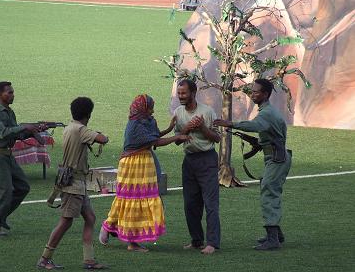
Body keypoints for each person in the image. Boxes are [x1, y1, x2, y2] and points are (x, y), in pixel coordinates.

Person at [99, 94, 190, 252]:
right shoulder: (135, 124)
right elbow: (154, 142)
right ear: (143, 108)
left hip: (145, 162)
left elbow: (153, 137)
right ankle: (131, 242)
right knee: (133, 199)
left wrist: (169, 129)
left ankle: (110, 227)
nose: (153, 110)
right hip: (133, 164)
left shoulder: (148, 120)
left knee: (138, 198)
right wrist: (177, 136)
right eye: (150, 107)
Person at [214, 78, 292, 250]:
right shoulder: (267, 111)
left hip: (276, 159)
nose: (252, 93)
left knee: (269, 194)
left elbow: (255, 125)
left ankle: (273, 239)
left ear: (265, 94)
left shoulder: (267, 114)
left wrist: (231, 123)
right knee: (271, 192)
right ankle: (276, 234)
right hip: (276, 157)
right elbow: (268, 133)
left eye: (256, 91)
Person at [37, 97, 109, 270]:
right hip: (74, 184)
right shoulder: (81, 130)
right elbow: (103, 139)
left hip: (74, 182)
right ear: (88, 114)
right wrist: (98, 134)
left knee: (90, 218)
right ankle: (44, 259)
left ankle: (89, 260)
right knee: (65, 222)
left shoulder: (70, 127)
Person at [0, 81, 40, 236]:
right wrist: (24, 127)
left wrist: (33, 130)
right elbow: (3, 132)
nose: (12, 94)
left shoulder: (9, 112)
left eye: (12, 92)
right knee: (5, 191)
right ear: (0, 95)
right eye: (9, 92)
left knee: (23, 187)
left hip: (7, 155)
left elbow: (16, 134)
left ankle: (1, 217)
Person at [174, 79, 221, 255]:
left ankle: (212, 243)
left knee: (210, 203)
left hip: (207, 160)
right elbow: (178, 140)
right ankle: (196, 240)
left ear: (193, 93)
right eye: (179, 93)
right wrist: (186, 128)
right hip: (189, 161)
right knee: (190, 204)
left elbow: (216, 138)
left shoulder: (207, 112)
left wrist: (201, 127)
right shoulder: (178, 112)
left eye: (184, 93)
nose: (181, 96)